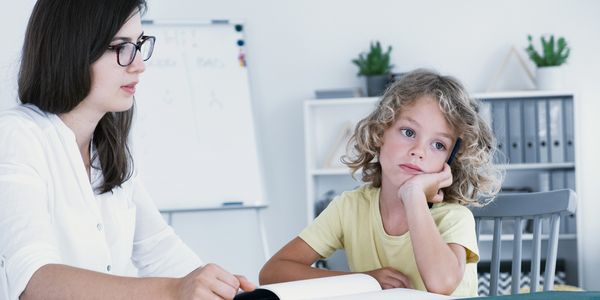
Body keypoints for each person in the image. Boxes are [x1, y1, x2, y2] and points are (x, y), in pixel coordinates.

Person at [0, 1, 255, 299]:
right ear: (73, 50)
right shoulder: (16, 136)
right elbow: (35, 281)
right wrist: (176, 290)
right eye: (121, 47)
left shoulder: (106, 146)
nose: (139, 64)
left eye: (139, 44)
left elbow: (161, 252)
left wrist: (218, 289)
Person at [259, 69, 503, 296]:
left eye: (438, 145)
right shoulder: (348, 208)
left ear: (450, 162)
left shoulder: (454, 218)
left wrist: (414, 195)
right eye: (408, 132)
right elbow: (272, 273)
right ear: (380, 132)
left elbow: (441, 285)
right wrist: (362, 280)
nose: (418, 151)